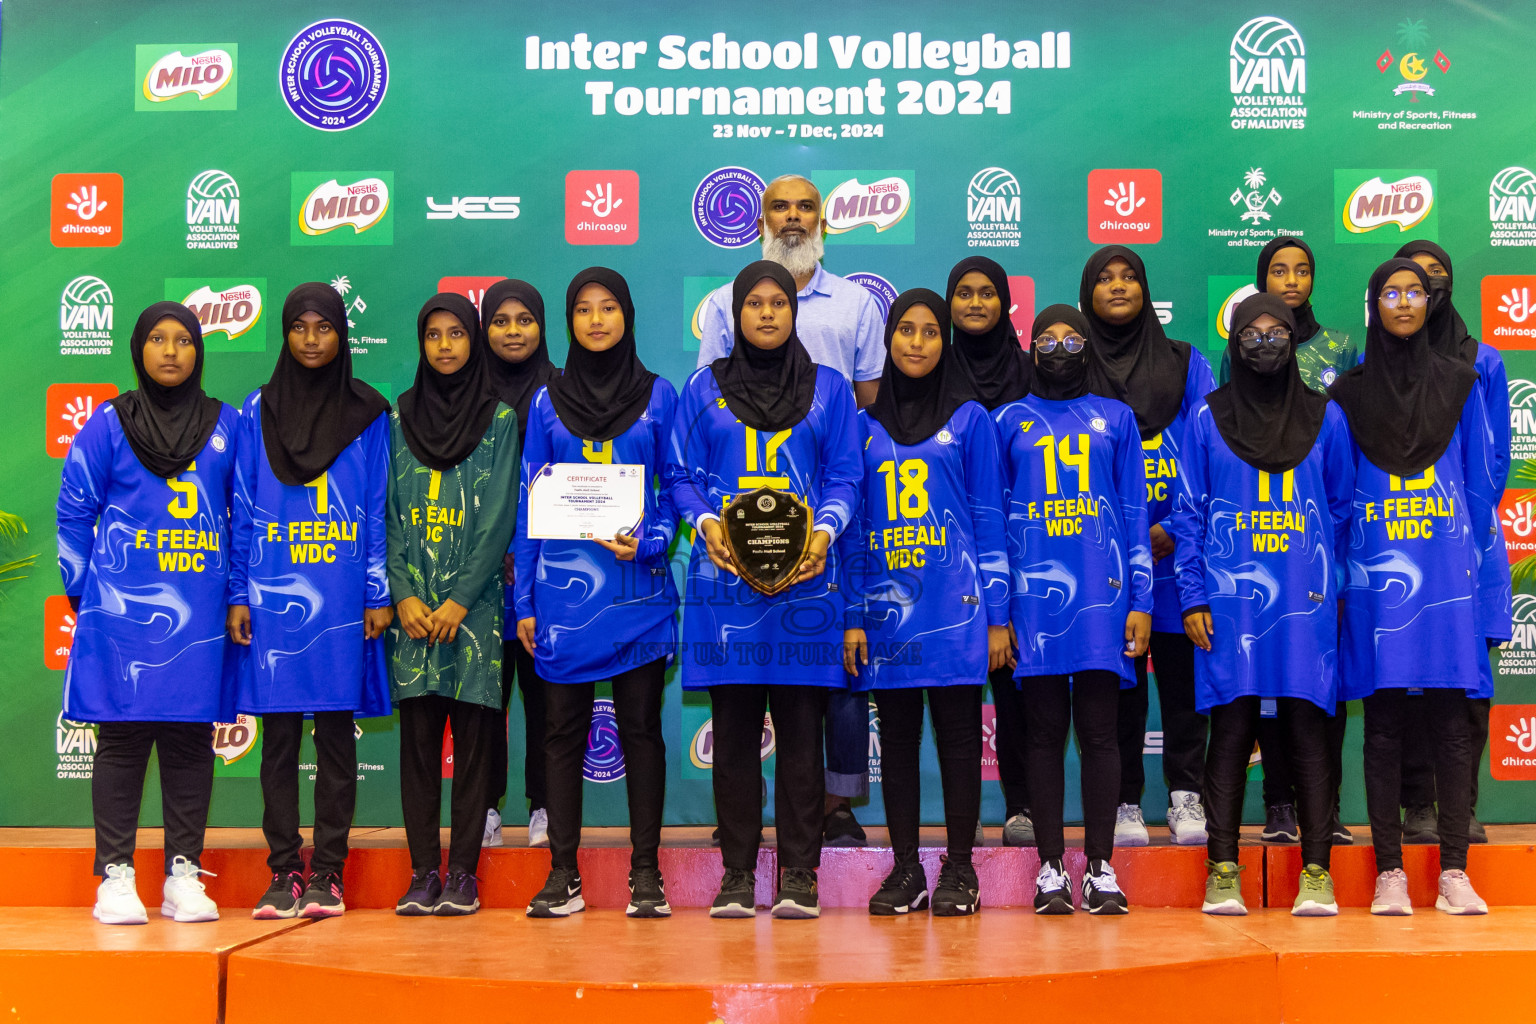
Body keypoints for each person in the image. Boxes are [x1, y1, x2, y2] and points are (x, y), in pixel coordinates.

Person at [668, 260, 861, 919]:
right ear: (736, 314)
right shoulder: (701, 390)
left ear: (795, 312)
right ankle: (738, 875)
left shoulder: (831, 389)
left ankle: (800, 875)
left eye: (780, 302)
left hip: (808, 583)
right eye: (756, 304)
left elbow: (846, 477)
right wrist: (707, 522)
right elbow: (680, 474)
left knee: (804, 737)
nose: (769, 314)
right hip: (726, 586)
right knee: (736, 732)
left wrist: (822, 536)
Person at [696, 174, 884, 846]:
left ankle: (833, 809)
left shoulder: (857, 302)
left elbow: (866, 401)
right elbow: (711, 409)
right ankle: (742, 825)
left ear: (824, 221)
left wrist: (829, 517)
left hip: (832, 508)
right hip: (741, 525)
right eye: (781, 206)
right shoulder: (723, 302)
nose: (794, 217)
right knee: (748, 690)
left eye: (807, 206)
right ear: (761, 221)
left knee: (832, 673)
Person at [1172, 295, 1354, 917]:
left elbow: (1340, 513)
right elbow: (1188, 514)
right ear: (1234, 342)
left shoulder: (1326, 418)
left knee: (1309, 729)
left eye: (1279, 331)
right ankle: (1222, 870)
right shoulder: (1205, 418)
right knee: (1231, 728)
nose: (1266, 342)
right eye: (1253, 331)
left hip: (1304, 599)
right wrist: (1193, 595)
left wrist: (1328, 586)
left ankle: (1317, 873)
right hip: (1228, 603)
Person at [57, 302, 237, 925]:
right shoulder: (107, 424)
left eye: (183, 340)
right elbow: (74, 511)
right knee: (124, 740)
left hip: (200, 616)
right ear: (137, 350)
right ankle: (115, 877)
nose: (169, 351)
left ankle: (183, 875)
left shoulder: (227, 424)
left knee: (190, 741)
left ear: (198, 352)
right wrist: (85, 594)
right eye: (157, 339)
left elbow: (246, 519)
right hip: (120, 615)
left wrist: (235, 594)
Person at [1331, 259, 1496, 916]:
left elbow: (1482, 482)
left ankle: (1455, 871)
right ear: (1374, 305)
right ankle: (1390, 872)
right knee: (1386, 722)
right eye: (1390, 292)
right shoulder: (1348, 394)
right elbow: (1339, 496)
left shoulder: (1463, 380)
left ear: (1430, 302)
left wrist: (1468, 560)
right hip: (1378, 580)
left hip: (1447, 577)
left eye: (1414, 292)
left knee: (1454, 722)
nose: (1403, 302)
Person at [228, 282, 393, 920]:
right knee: (277, 742)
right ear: (285, 335)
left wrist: (377, 592)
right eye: (300, 327)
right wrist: (240, 591)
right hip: (272, 595)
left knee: (335, 740)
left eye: (324, 327)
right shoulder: (257, 408)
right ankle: (282, 872)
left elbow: (377, 506)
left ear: (341, 335)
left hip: (342, 596)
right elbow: (241, 505)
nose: (312, 339)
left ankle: (328, 873)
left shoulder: (370, 411)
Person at [519, 269, 680, 919]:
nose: (595, 320)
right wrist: (525, 602)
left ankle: (647, 874)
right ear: (570, 321)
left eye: (608, 307)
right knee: (560, 731)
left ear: (627, 315)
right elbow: (532, 498)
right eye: (582, 309)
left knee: (642, 730)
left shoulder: (659, 396)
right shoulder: (545, 402)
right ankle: (563, 873)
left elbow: (676, 489)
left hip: (636, 591)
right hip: (562, 600)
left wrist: (649, 538)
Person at [843, 289, 1008, 917]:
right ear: (887, 340)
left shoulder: (970, 420)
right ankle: (907, 868)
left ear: (945, 342)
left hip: (958, 610)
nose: (916, 342)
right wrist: (854, 616)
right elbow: (854, 532)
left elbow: (991, 520)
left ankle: (961, 869)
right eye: (905, 330)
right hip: (889, 614)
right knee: (902, 742)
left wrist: (998, 617)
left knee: (961, 740)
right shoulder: (862, 426)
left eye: (929, 331)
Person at [996, 304, 1150, 915]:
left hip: (1101, 602)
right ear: (1031, 350)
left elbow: (1136, 515)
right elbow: (991, 522)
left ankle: (1102, 866)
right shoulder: (1005, 420)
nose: (1060, 349)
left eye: (1072, 339)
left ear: (1088, 348)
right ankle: (1051, 868)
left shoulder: (1116, 418)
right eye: (1047, 340)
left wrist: (1141, 600)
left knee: (1100, 734)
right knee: (1042, 734)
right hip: (1032, 604)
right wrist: (999, 612)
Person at [1221, 238, 1358, 847]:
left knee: (1315, 698)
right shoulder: (1236, 363)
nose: (1291, 280)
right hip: (1249, 557)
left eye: (1302, 270)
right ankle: (1278, 805)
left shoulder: (1338, 349)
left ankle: (1322, 818)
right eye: (1278, 270)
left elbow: (1338, 497)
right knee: (1259, 700)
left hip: (1307, 562)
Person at [1079, 246, 1216, 847]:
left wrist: (1175, 529)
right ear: (1087, 295)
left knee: (1185, 684)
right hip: (1108, 562)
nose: (1116, 286)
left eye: (1128, 276)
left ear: (1145, 288)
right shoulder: (1074, 368)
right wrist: (1127, 537)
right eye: (1104, 278)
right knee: (1121, 690)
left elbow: (1214, 454)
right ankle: (1125, 801)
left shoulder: (1188, 365)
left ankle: (1187, 797)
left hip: (1181, 556)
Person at [387, 294, 519, 917]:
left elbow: (498, 520)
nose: (444, 345)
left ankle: (462, 873)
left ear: (473, 342)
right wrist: (405, 593)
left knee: (474, 748)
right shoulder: (396, 418)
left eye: (456, 334)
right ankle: (421, 873)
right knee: (417, 748)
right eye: (433, 334)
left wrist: (461, 599)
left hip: (477, 612)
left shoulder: (499, 420)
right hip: (413, 614)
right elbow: (382, 514)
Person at [1394, 241, 1511, 848]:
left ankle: (1460, 808)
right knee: (1409, 678)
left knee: (1466, 682)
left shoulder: (1483, 363)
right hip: (1400, 534)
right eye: (1412, 281)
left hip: (1468, 538)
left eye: (1437, 277)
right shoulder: (1381, 364)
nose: (1425, 289)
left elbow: (1492, 459)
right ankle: (1417, 805)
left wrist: (1462, 530)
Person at [946, 256, 1035, 847]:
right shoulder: (930, 372)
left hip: (1019, 549)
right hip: (943, 553)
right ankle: (962, 813)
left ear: (1005, 304)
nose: (976, 303)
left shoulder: (1032, 376)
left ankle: (1021, 805)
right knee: (952, 687)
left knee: (1013, 683)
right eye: (964, 294)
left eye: (987, 294)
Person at [478, 279, 561, 850]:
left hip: (545, 574)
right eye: (501, 321)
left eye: (524, 320)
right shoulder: (462, 395)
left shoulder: (562, 393)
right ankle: (483, 806)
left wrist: (529, 552)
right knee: (485, 699)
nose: (513, 331)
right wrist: (491, 551)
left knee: (547, 699)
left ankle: (545, 806)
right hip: (476, 579)